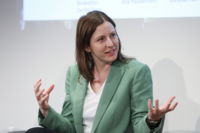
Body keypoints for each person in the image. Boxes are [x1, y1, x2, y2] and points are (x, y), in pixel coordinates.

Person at [27, 11, 178, 133]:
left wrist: (152, 120)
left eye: (113, 35)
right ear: (87, 46)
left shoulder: (137, 71)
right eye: (101, 39)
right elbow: (70, 127)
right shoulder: (74, 72)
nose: (111, 43)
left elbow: (140, 127)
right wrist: (46, 111)